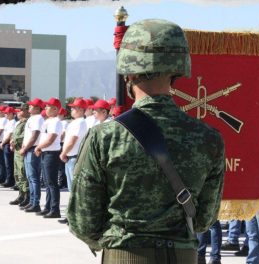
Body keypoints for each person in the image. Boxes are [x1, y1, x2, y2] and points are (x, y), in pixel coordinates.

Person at [67, 19, 225, 263]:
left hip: (124, 256)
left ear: (129, 73)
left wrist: (118, 242)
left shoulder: (105, 137)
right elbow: (204, 219)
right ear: (177, 70)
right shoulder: (209, 139)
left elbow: (82, 221)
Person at [58, 98, 88, 224]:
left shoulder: (80, 122)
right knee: (71, 189)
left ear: (81, 109)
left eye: (74, 108)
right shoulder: (75, 122)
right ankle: (72, 216)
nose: (72, 110)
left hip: (74, 157)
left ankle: (76, 217)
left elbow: (73, 140)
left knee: (75, 189)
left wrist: (64, 153)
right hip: (70, 157)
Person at [34, 98, 63, 219]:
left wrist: (39, 147)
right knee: (47, 182)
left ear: (55, 109)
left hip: (51, 153)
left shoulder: (56, 122)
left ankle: (55, 209)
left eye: (48, 106)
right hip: (45, 152)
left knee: (52, 183)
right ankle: (48, 206)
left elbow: (51, 139)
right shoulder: (48, 121)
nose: (46, 108)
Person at [20, 98, 44, 213]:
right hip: (28, 149)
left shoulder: (38, 119)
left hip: (33, 149)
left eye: (31, 106)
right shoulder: (32, 118)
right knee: (30, 177)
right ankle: (31, 201)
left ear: (37, 108)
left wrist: (25, 148)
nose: (29, 107)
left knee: (34, 178)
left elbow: (35, 136)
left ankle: (36, 203)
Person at [9, 103, 30, 206]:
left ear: (27, 111)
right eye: (18, 110)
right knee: (17, 173)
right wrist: (11, 141)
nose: (19, 112)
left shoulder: (27, 123)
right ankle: (20, 195)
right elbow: (14, 134)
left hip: (22, 149)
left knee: (23, 173)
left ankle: (26, 196)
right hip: (16, 150)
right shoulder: (19, 123)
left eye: (21, 110)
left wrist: (14, 141)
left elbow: (23, 136)